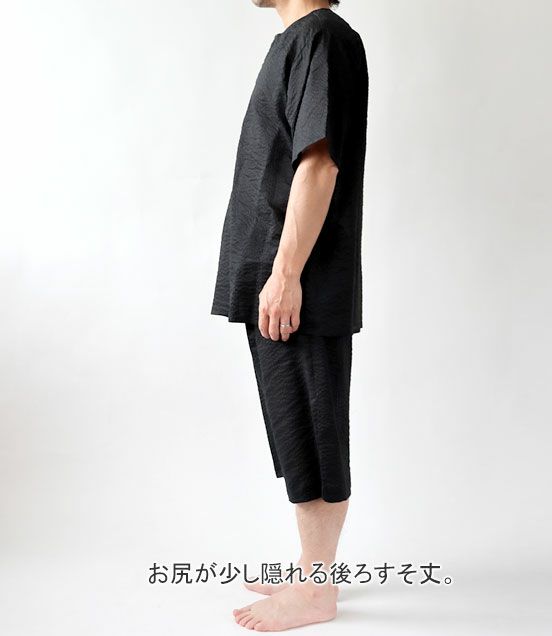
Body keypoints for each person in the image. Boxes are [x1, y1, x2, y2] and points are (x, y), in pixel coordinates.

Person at [210, 0, 369, 630]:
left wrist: (286, 274)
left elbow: (319, 163)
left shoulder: (322, 37)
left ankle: (316, 591)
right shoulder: (299, 40)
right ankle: (311, 570)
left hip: (299, 278)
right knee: (295, 424)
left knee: (313, 427)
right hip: (281, 275)